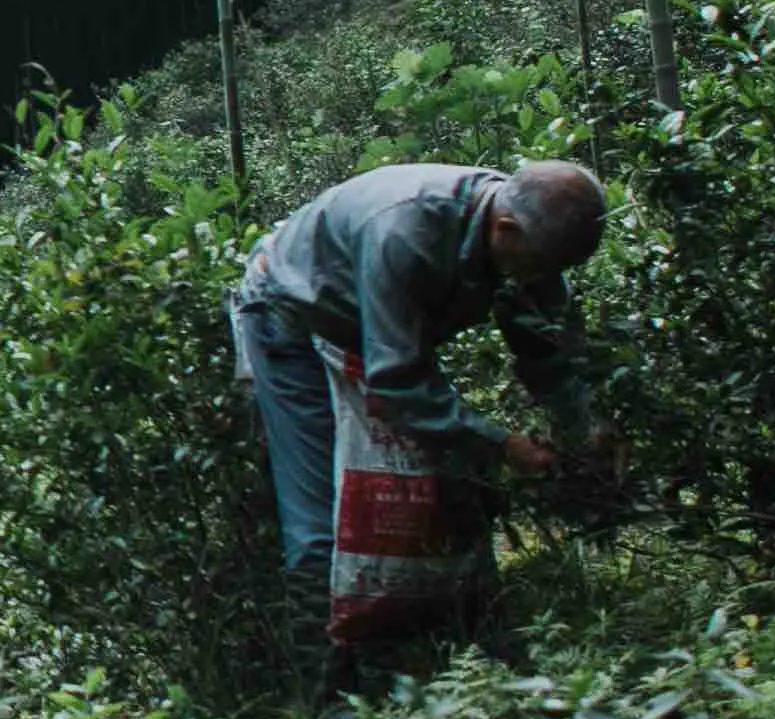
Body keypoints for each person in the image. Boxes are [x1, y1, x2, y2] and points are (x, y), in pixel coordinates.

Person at [229, 159, 604, 603]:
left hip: (375, 329)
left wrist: (590, 424)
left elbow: (546, 348)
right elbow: (399, 382)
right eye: (541, 266)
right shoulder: (405, 234)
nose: (543, 278)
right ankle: (327, 664)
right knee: (325, 522)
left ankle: (444, 638)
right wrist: (500, 444)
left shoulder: (527, 234)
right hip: (292, 316)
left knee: (440, 495)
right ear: (505, 231)